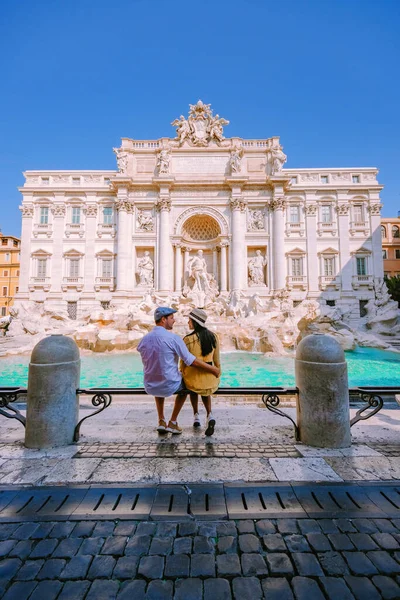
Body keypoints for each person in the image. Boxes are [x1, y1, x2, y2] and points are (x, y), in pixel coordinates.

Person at [137, 306, 220, 434]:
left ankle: (161, 421)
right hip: (170, 384)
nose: (174, 321)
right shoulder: (173, 339)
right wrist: (213, 369)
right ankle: (173, 422)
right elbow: (190, 360)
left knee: (159, 377)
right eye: (171, 318)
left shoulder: (144, 339)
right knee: (185, 386)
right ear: (163, 320)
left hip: (150, 385)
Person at [180, 308, 221, 436]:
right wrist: (217, 372)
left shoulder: (187, 339)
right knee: (205, 387)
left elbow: (183, 362)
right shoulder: (214, 336)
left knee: (192, 385)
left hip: (192, 379)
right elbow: (217, 360)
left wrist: (182, 372)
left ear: (195, 322)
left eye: (189, 320)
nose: (188, 323)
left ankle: (196, 416)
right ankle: (210, 415)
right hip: (210, 379)